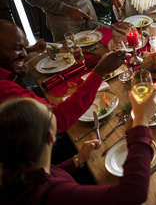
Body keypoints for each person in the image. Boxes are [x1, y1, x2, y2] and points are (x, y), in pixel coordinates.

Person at [0, 86, 156, 204]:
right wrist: (141, 122)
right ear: (50, 135)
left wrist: (77, 160)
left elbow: (51, 172)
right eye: (47, 110)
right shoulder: (51, 194)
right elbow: (133, 193)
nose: (50, 106)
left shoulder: (17, 172)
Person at [0, 20, 128, 132]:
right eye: (17, 48)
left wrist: (19, 78)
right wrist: (99, 71)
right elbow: (59, 118)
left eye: (24, 48)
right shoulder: (4, 90)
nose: (24, 54)